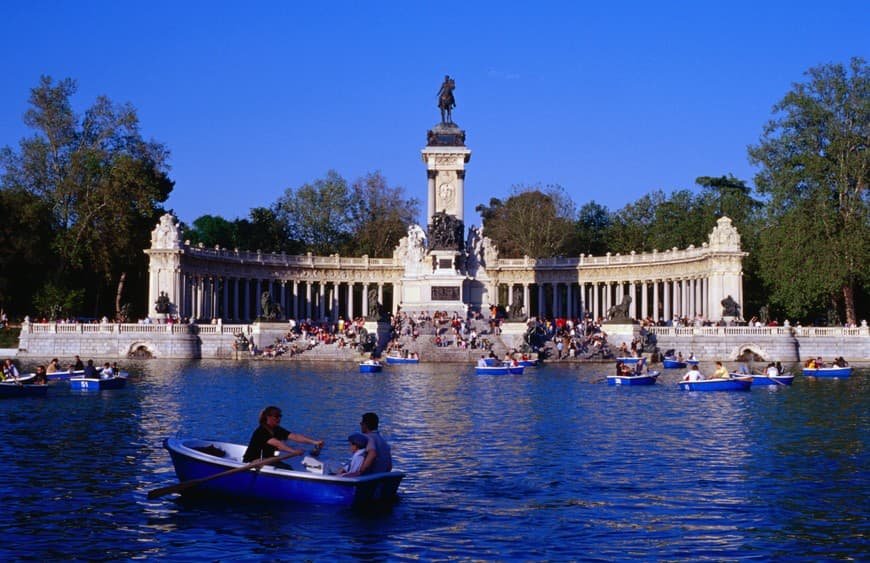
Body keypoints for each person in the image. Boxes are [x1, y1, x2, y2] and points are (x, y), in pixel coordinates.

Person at [242, 406, 325, 465]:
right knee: (285, 468)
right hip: (252, 461)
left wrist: (315, 442)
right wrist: (294, 451)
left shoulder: (277, 429)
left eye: (280, 416)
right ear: (268, 417)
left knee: (287, 467)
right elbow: (278, 445)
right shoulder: (261, 431)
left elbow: (295, 436)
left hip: (267, 460)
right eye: (276, 417)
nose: (279, 419)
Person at [346, 412, 393, 477]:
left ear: (365, 425)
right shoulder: (384, 442)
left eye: (361, 423)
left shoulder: (368, 437)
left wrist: (360, 471)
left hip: (369, 479)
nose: (361, 425)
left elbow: (372, 454)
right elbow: (389, 467)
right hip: (381, 479)